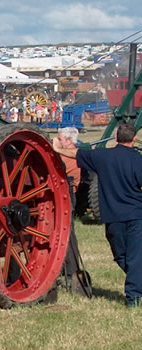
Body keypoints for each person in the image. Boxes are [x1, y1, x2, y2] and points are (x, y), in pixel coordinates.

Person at [53, 124, 142, 307]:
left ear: (116, 138)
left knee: (123, 255)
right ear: (134, 139)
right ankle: (137, 281)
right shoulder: (138, 160)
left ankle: (133, 298)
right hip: (135, 214)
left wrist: (57, 149)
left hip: (113, 215)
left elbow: (75, 153)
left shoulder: (102, 156)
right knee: (131, 257)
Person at [53, 127, 91, 296]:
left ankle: (71, 272)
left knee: (67, 236)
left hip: (66, 197)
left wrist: (54, 149)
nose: (57, 141)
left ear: (68, 141)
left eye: (60, 139)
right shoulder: (68, 154)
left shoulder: (69, 157)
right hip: (64, 196)